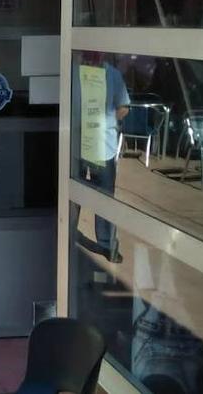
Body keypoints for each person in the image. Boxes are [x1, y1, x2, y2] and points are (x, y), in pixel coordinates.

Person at [70, 53, 129, 263]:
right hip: (76, 144)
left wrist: (105, 119)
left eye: (95, 54)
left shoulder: (112, 75)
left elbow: (123, 107)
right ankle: (67, 235)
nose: (91, 58)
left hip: (104, 146)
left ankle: (107, 244)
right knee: (73, 192)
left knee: (104, 197)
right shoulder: (73, 73)